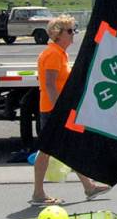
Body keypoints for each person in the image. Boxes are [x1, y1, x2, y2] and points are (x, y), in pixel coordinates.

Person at [32, 15, 111, 205]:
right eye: (69, 31)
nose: (73, 34)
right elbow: (50, 85)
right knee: (47, 151)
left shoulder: (59, 53)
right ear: (58, 34)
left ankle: (88, 187)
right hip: (53, 110)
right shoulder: (52, 54)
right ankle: (38, 193)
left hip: (55, 109)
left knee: (70, 147)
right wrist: (60, 111)